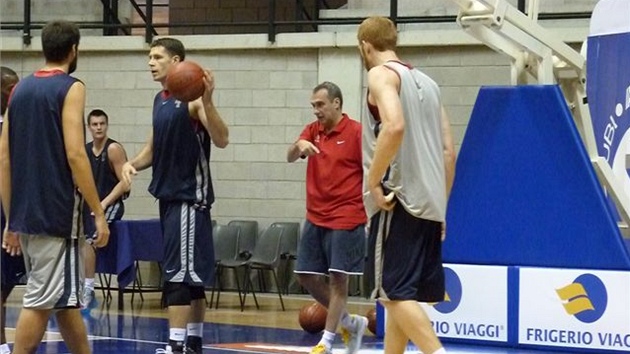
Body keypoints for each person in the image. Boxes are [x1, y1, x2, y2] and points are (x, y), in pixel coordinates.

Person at [0, 20, 110, 354]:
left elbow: (4, 157)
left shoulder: (19, 90)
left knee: (64, 300)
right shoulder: (71, 87)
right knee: (40, 301)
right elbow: (77, 154)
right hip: (57, 213)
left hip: (28, 214)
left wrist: (10, 219)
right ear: (74, 49)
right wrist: (98, 211)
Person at [121, 37, 229, 354]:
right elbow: (152, 149)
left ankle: (176, 345)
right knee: (191, 277)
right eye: (149, 57)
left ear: (177, 62)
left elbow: (222, 139)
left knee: (178, 276)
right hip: (169, 199)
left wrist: (208, 100)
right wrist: (131, 164)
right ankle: (193, 342)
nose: (150, 62)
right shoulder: (160, 100)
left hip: (187, 199)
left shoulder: (194, 100)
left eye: (157, 57)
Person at [358, 16, 456, 354]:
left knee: (390, 291)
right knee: (403, 295)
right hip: (431, 200)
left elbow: (394, 126)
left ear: (365, 46)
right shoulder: (429, 83)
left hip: (397, 197)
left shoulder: (379, 74)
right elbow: (448, 152)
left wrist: (373, 180)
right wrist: (442, 206)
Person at [287, 82, 368, 354]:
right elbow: (289, 157)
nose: (316, 110)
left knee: (337, 279)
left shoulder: (356, 132)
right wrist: (299, 145)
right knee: (304, 275)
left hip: (346, 215)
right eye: (313, 106)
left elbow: (374, 166)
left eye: (320, 104)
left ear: (336, 103)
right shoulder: (313, 131)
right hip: (316, 215)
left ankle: (327, 341)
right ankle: (348, 322)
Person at [81, 109, 130, 314]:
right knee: (80, 241)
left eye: (102, 124)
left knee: (92, 240)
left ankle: (88, 291)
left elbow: (125, 183)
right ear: (89, 127)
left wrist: (104, 203)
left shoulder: (113, 149)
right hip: (90, 204)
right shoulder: (84, 150)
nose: (99, 127)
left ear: (107, 125)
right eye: (95, 124)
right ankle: (77, 287)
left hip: (111, 203)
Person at [0, 66, 25, 354]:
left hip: (15, 211)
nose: (15, 92)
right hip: (6, 213)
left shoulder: (15, 124)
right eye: (10, 87)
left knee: (7, 282)